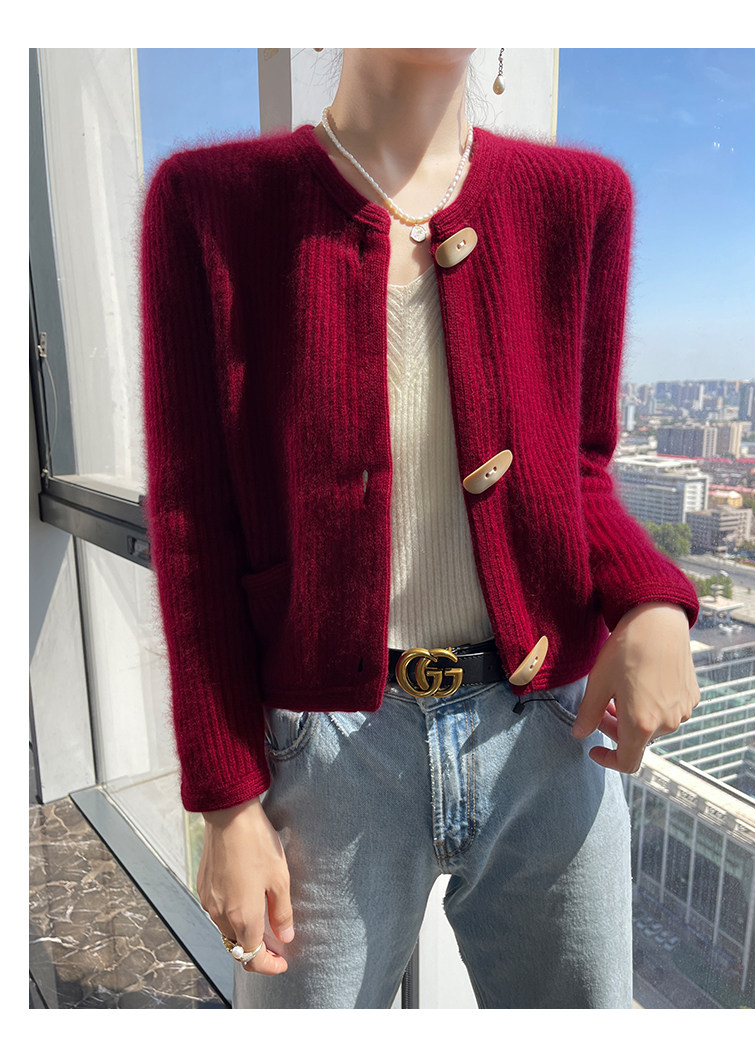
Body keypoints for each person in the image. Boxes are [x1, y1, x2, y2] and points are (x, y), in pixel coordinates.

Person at [140, 48, 701, 1009]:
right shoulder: (209, 201)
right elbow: (193, 519)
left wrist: (652, 601)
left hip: (547, 737)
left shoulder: (582, 200)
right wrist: (225, 799)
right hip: (325, 756)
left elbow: (580, 469)